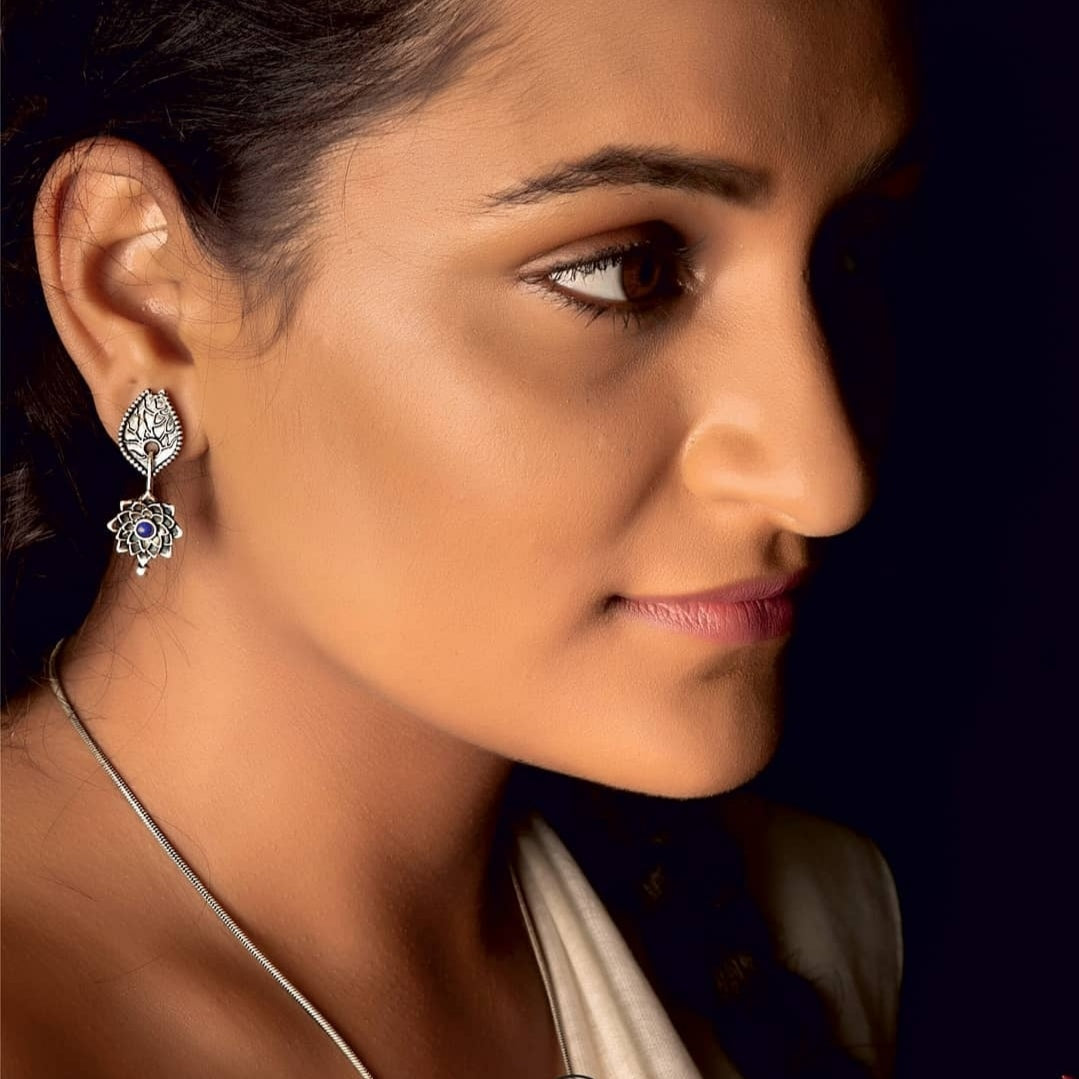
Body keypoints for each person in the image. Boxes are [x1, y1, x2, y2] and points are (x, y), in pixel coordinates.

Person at [1, 0, 922, 1076]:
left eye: (848, 252)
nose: (825, 480)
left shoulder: (816, 928)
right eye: (626, 271)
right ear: (139, 297)